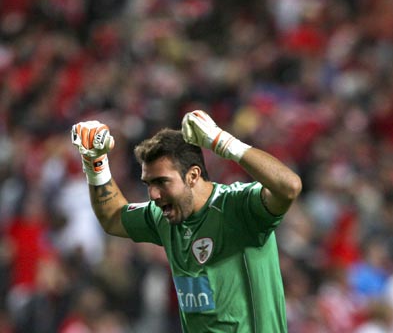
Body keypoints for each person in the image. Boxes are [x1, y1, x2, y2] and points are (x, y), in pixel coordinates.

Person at [70, 110, 302, 332]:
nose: (153, 195)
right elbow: (113, 218)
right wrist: (95, 161)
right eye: (148, 184)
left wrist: (224, 142)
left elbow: (289, 187)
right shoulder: (163, 216)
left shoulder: (238, 207)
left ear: (193, 175)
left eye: (162, 182)